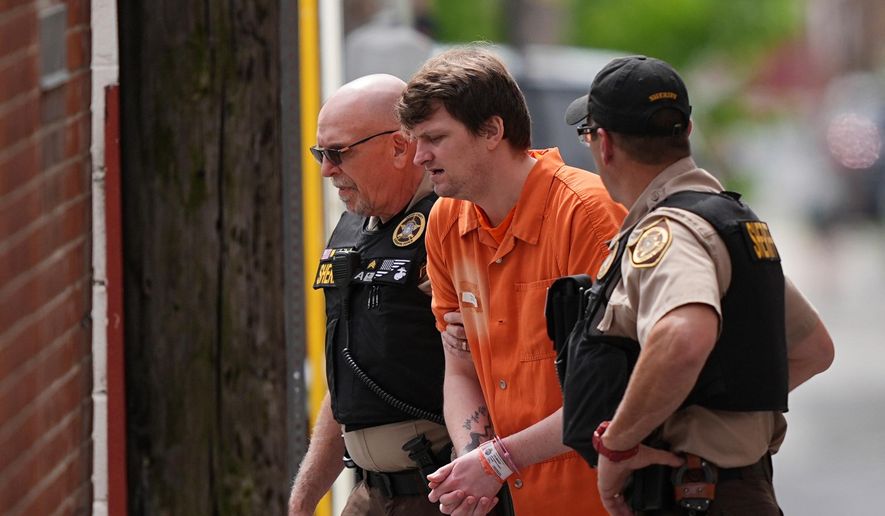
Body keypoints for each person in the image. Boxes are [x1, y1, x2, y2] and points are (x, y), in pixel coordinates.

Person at [562, 55, 835, 515]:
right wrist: (714, 408)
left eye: (587, 134)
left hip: (692, 495)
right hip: (736, 488)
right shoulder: (727, 222)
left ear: (603, 144)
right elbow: (814, 349)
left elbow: (684, 337)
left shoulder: (670, 232)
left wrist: (618, 446)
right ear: (686, 131)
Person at [395, 46, 627, 515]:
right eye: (415, 139)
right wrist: (473, 465)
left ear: (492, 131)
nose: (419, 156)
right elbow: (459, 370)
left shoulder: (587, 213)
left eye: (435, 137)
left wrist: (495, 461)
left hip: (599, 500)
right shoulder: (445, 221)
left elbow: (613, 393)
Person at [288, 74, 451, 516]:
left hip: (439, 491)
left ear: (399, 147)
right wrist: (303, 498)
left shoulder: (450, 221)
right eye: (321, 153)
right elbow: (351, 373)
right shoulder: (353, 225)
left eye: (338, 152)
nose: (326, 169)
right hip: (369, 493)